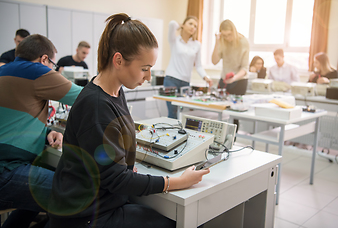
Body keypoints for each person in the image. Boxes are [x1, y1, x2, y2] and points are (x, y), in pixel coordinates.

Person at [48, 13, 210, 228]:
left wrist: (124, 166)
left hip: (99, 204)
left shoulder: (115, 91)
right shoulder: (96, 106)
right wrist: (178, 182)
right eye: (144, 68)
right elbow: (116, 179)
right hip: (87, 216)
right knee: (175, 223)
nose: (148, 76)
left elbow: (111, 159)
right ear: (118, 60)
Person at [0, 34, 83, 228]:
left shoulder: (5, 72)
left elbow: (12, 119)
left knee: (34, 199)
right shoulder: (35, 71)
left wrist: (46, 132)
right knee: (75, 195)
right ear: (44, 59)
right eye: (52, 65)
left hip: (7, 166)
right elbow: (87, 98)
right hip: (6, 170)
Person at [164, 16, 213, 119]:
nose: (193, 27)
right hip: (171, 80)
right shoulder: (174, 40)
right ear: (183, 24)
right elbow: (172, 23)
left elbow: (199, 66)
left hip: (185, 83)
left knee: (183, 114)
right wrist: (179, 25)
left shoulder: (197, 45)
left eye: (195, 26)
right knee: (173, 113)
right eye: (190, 24)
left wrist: (206, 77)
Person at [211, 19, 249, 96]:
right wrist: (217, 43)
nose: (227, 38)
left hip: (239, 81)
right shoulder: (222, 40)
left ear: (234, 31)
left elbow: (245, 68)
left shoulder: (243, 42)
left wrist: (234, 78)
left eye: (229, 34)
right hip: (224, 80)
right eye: (224, 35)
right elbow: (214, 62)